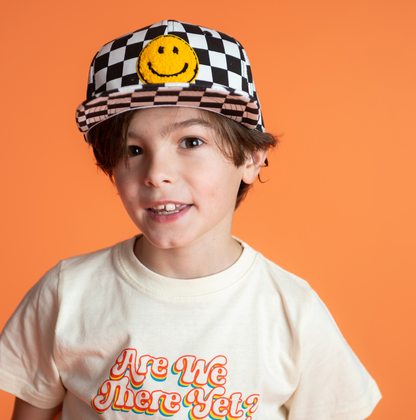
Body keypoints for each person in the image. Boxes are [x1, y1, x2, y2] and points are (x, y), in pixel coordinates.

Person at [0, 20, 381, 420]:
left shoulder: (292, 311)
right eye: (133, 149)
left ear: (251, 158)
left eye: (191, 142)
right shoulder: (68, 293)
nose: (156, 173)